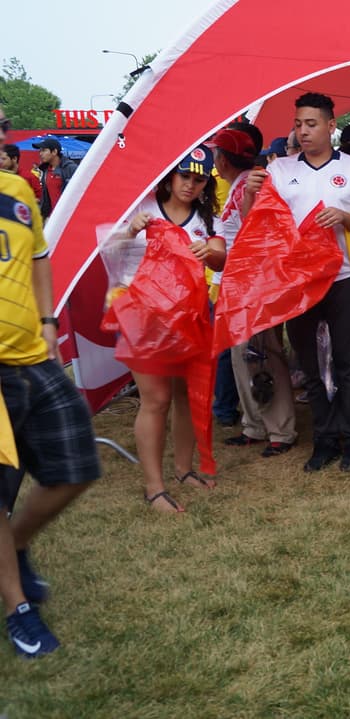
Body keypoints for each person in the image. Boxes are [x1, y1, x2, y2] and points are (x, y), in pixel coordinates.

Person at [0, 103, 100, 658]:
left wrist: (46, 321)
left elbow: (39, 257)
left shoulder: (17, 191)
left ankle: (13, 548)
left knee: (76, 466)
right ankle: (18, 610)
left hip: (34, 357)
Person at [113, 149, 226, 512]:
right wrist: (130, 230)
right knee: (156, 399)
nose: (190, 185)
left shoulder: (207, 219)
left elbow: (222, 256)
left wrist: (210, 251)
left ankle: (183, 470)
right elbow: (107, 249)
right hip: (142, 317)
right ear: (170, 175)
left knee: (186, 395)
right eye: (184, 176)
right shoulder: (142, 207)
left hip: (190, 318)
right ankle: (154, 487)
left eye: (199, 179)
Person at [265, 92, 350, 472]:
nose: (303, 131)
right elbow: (264, 225)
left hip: (344, 278)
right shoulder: (280, 171)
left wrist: (345, 218)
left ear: (331, 126)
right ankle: (324, 439)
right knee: (310, 365)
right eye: (298, 125)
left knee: (348, 361)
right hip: (299, 282)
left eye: (311, 124)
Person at [211, 124, 298, 458]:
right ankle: (255, 425)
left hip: (255, 285)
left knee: (263, 355)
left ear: (223, 158)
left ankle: (280, 430)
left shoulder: (251, 186)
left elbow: (262, 234)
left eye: (216, 154)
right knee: (243, 356)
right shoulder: (240, 185)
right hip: (240, 284)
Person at [32, 138, 77, 219]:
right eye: (40, 151)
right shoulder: (45, 170)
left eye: (44, 150)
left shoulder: (70, 168)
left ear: (54, 152)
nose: (40, 154)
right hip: (52, 218)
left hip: (69, 217)